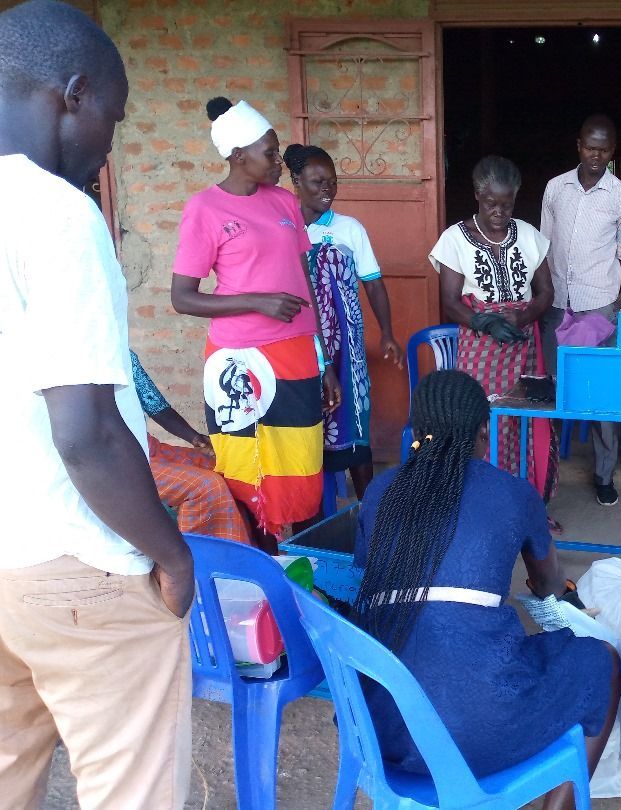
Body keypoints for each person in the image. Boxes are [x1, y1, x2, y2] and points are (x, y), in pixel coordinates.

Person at [0, 2, 192, 807]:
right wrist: (171, 554)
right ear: (72, 95)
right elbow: (85, 434)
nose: (110, 143)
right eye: (113, 117)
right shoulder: (57, 214)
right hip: (79, 566)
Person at [353, 370, 619, 810]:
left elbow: (369, 576)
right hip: (481, 730)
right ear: (483, 429)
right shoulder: (513, 493)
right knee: (602, 661)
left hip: (382, 726)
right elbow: (550, 584)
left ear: (417, 431)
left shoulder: (381, 491)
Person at [171, 96, 341, 551]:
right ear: (236, 156)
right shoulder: (204, 209)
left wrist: (323, 360)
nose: (276, 159)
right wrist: (256, 302)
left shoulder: (283, 201)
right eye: (269, 152)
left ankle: (299, 560)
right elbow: (182, 297)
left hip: (296, 354)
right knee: (247, 466)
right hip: (239, 363)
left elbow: (304, 282)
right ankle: (258, 562)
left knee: (300, 463)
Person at [430, 155, 560, 516]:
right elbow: (450, 301)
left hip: (524, 343)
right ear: (477, 196)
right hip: (479, 346)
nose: (499, 211)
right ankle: (484, 509)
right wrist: (485, 322)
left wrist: (522, 316)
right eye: (491, 203)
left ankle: (528, 506)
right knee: (484, 423)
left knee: (524, 420)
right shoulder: (455, 239)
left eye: (507, 204)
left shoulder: (530, 236)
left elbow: (546, 292)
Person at [283, 143, 403, 502]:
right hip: (300, 343)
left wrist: (388, 334)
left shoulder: (349, 229)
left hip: (346, 348)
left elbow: (373, 283)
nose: (327, 190)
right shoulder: (284, 228)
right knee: (307, 424)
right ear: (295, 181)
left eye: (332, 182)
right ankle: (314, 515)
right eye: (317, 182)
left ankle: (367, 510)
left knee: (353, 417)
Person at [541, 114, 621, 507]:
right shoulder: (555, 189)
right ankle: (543, 473)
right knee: (548, 387)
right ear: (578, 144)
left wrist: (596, 277)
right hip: (554, 301)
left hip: (598, 304)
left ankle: (604, 475)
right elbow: (542, 244)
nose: (595, 155)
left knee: (600, 391)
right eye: (589, 146)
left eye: (604, 149)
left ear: (612, 151)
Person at [131, 350, 252, 544]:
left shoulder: (124, 356)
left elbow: (155, 405)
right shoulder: (82, 369)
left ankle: (249, 555)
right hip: (120, 460)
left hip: (148, 448)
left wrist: (195, 438)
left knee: (228, 470)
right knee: (205, 485)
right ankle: (199, 561)